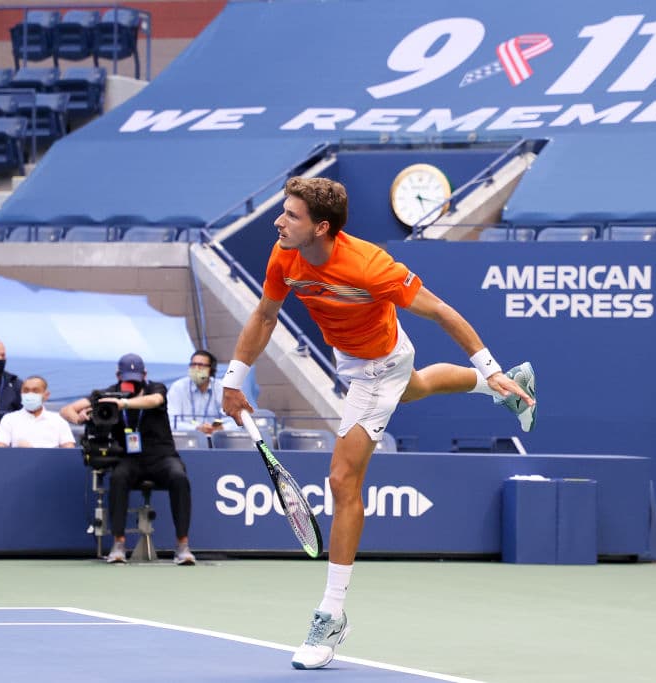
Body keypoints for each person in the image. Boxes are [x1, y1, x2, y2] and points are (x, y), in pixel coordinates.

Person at [220, 177, 537, 670]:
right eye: (282, 212)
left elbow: (442, 312)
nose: (279, 222)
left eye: (291, 215)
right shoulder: (285, 254)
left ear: (322, 227)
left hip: (377, 367)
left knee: (342, 479)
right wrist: (234, 378)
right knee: (420, 387)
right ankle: (502, 387)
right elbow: (265, 316)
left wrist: (490, 362)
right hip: (356, 355)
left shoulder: (370, 266)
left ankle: (330, 614)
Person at [60, 353, 196, 566]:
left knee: (179, 476)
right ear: (118, 375)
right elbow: (66, 409)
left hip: (162, 456)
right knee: (118, 477)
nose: (131, 382)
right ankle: (118, 544)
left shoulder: (156, 388)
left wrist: (123, 404)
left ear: (144, 374)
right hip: (128, 458)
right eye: (127, 378)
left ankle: (182, 545)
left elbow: (154, 401)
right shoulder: (107, 394)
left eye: (136, 377)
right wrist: (78, 416)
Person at [166, 350, 239, 434]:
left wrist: (221, 428)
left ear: (211, 369)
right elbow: (171, 422)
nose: (196, 369)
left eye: (201, 365)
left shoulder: (222, 389)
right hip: (189, 439)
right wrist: (197, 428)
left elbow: (236, 421)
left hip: (218, 439)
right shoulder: (178, 388)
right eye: (193, 365)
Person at [0, 375, 76, 448]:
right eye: (26, 391)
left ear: (46, 395)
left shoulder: (58, 420)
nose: (30, 394)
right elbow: (0, 448)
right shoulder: (9, 419)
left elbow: (69, 449)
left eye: (35, 391)